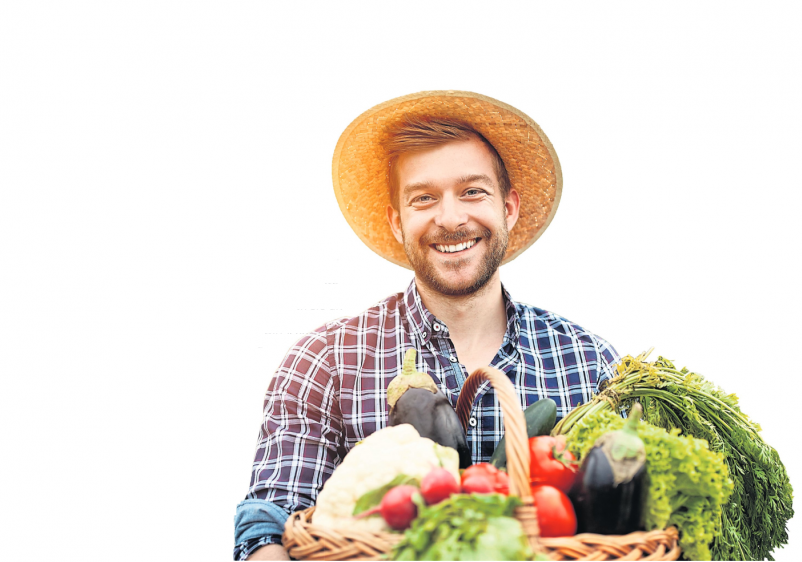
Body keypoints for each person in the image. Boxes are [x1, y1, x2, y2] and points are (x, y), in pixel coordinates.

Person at [233, 91, 620, 560]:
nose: (451, 218)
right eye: (424, 198)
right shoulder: (324, 363)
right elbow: (269, 524)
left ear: (509, 208)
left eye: (473, 191)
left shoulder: (592, 363)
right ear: (397, 222)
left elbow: (631, 523)